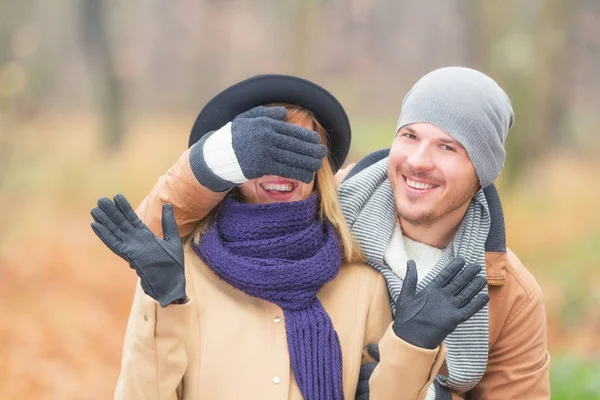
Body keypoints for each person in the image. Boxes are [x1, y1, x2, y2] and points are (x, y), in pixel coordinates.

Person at [130, 68, 551, 399]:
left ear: (483, 171)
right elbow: (146, 239)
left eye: (449, 147)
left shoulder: (510, 295)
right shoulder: (327, 215)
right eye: (410, 136)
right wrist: (217, 159)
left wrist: (419, 373)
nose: (419, 161)